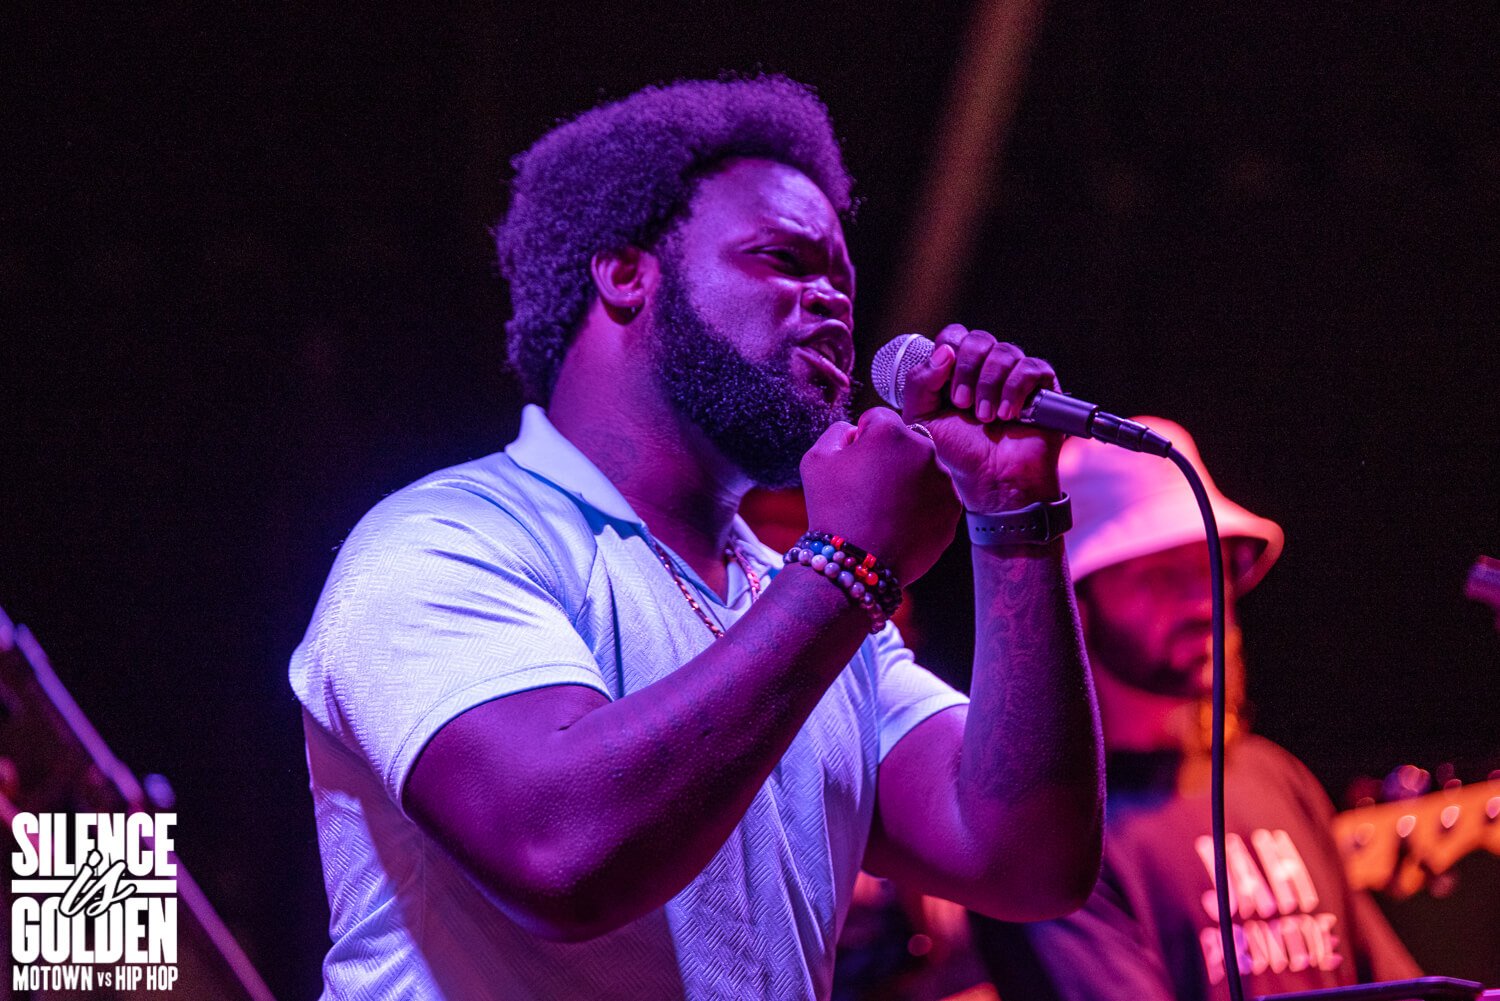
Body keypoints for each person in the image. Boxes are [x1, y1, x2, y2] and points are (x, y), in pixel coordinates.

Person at [289, 75, 1103, 1001]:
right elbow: (558, 852)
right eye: (783, 259)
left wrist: (1014, 521)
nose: (833, 303)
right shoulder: (442, 541)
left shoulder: (800, 604)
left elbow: (1027, 859)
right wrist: (851, 568)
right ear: (625, 273)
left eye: (841, 279)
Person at [971, 417, 1420, 1001]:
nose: (1205, 602)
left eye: (1212, 566)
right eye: (1163, 576)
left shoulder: (1274, 776)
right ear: (1076, 603)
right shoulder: (1052, 835)